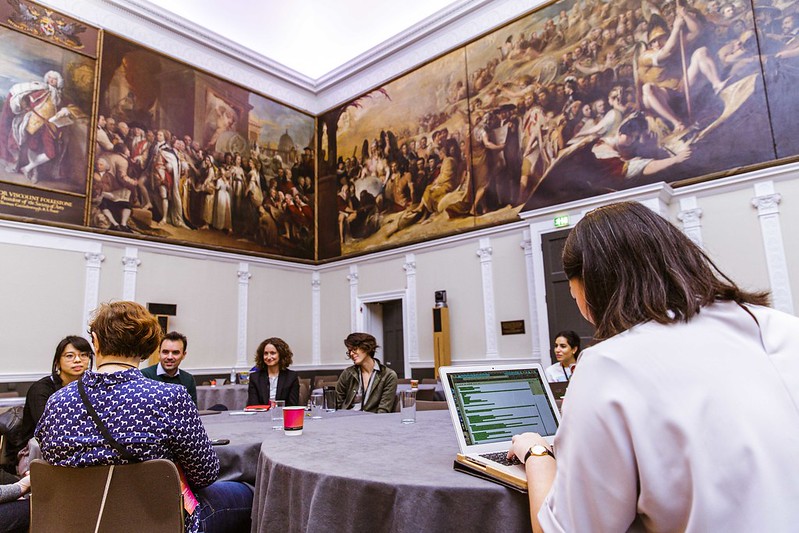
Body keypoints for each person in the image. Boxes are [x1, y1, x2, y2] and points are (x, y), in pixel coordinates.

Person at [508, 201, 799, 532]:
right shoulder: (782, 327)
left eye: (575, 297)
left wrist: (536, 452)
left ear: (588, 285)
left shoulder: (608, 364)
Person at [35, 301, 253, 533]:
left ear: (95, 342)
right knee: (249, 492)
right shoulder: (169, 397)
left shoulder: (58, 402)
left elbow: (50, 459)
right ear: (149, 348)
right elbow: (205, 473)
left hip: (76, 522)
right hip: (157, 522)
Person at [6, 335, 93, 466]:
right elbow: (47, 428)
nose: (77, 360)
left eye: (84, 355)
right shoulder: (41, 389)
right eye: (70, 356)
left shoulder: (91, 387)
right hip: (37, 450)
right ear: (57, 361)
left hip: (79, 447)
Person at [335, 333, 397, 413]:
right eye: (349, 351)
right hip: (347, 419)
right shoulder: (348, 373)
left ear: (367, 347)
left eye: (354, 349)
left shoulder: (388, 375)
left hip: (372, 422)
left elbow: (383, 410)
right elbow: (337, 403)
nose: (351, 354)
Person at [141, 331, 198, 405]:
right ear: (159, 353)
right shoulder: (144, 376)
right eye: (165, 352)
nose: (169, 357)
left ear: (183, 355)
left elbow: (193, 412)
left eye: (175, 352)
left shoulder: (188, 379)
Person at [246, 337, 300, 407]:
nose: (268, 357)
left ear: (281, 355)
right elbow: (253, 406)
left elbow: (292, 405)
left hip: (283, 416)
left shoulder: (291, 377)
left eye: (272, 353)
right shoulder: (255, 378)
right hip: (261, 416)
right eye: (265, 353)